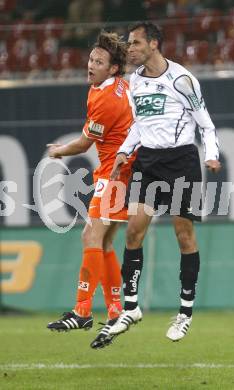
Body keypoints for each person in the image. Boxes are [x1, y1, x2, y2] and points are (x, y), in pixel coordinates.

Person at [103, 22, 221, 344]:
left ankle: (184, 313)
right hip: (148, 162)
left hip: (180, 161)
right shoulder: (134, 81)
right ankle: (131, 307)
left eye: (136, 43)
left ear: (154, 44)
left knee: (183, 235)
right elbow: (139, 125)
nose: (130, 49)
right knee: (133, 231)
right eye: (129, 44)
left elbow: (206, 125)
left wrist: (211, 155)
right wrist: (124, 152)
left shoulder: (182, 80)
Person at [46, 31, 134, 349]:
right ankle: (114, 310)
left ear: (113, 68)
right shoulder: (116, 86)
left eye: (99, 61)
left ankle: (82, 310)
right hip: (119, 172)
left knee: (90, 237)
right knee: (105, 242)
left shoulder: (105, 100)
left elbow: (84, 143)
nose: (91, 64)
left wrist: (58, 152)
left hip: (116, 175)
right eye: (91, 59)